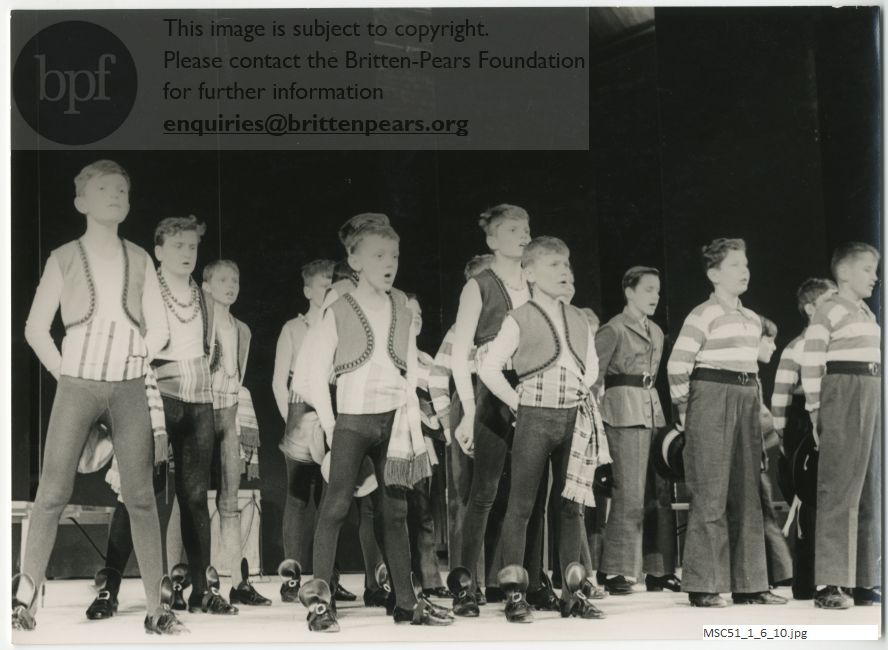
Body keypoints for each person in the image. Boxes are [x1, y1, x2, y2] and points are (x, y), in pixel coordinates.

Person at [17, 160, 184, 634]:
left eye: (122, 190)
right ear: (81, 202)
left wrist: (139, 357)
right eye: (104, 188)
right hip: (78, 386)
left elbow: (161, 327)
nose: (115, 195)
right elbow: (34, 328)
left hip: (129, 389)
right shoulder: (63, 257)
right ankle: (24, 600)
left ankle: (157, 609)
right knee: (51, 494)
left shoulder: (140, 259)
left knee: (141, 498)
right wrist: (65, 372)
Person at [301, 220, 453, 630]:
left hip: (394, 424)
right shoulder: (339, 310)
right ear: (354, 261)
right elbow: (311, 375)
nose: (389, 265)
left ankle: (407, 602)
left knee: (395, 512)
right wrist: (332, 427)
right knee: (335, 508)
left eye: (394, 257)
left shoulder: (401, 305)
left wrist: (410, 429)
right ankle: (319, 604)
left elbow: (407, 371)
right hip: (351, 423)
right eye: (379, 256)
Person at [479, 236, 609, 622]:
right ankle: (515, 594)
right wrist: (520, 402)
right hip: (535, 417)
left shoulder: (578, 318)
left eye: (566, 264)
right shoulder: (519, 317)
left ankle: (572, 594)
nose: (564, 271)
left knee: (570, 507)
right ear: (530, 272)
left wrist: (578, 390)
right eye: (554, 265)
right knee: (521, 505)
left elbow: (592, 365)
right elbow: (489, 368)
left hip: (572, 417)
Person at [448, 205, 557, 616]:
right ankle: (464, 584)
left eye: (527, 228)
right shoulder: (479, 285)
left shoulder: (535, 284)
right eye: (512, 230)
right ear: (492, 240)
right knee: (484, 492)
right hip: (489, 392)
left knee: (531, 492)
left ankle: (528, 581)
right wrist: (470, 412)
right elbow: (461, 355)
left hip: (531, 391)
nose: (523, 234)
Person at [666, 237, 785, 608]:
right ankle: (704, 585)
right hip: (710, 397)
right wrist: (688, 413)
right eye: (734, 265)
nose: (744, 271)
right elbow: (676, 366)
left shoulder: (751, 320)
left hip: (746, 399)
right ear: (713, 273)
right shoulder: (703, 314)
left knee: (749, 493)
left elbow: (754, 371)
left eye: (745, 264)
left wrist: (760, 412)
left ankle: (751, 585)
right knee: (711, 492)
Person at [151, 216, 238, 615]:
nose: (187, 253)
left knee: (194, 498)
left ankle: (203, 590)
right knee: (138, 495)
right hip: (158, 399)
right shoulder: (148, 288)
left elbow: (214, 350)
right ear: (159, 251)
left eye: (192, 246)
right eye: (178, 246)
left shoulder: (204, 298)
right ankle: (113, 584)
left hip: (199, 402)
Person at [801, 243, 881, 609]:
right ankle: (831, 583)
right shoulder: (828, 309)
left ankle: (865, 578)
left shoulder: (866, 313)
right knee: (839, 487)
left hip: (872, 392)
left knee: (870, 487)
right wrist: (816, 409)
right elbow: (813, 360)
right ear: (844, 272)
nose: (875, 277)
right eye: (868, 269)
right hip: (843, 392)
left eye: (876, 270)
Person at [593, 266, 670, 596]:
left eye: (657, 290)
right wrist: (596, 425)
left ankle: (658, 570)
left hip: (652, 413)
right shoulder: (613, 330)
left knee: (658, 494)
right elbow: (594, 379)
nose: (655, 296)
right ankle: (614, 570)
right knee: (628, 494)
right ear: (630, 291)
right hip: (622, 413)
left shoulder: (657, 331)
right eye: (648, 289)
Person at [202, 259, 269, 606]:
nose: (231, 286)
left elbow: (236, 375)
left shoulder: (242, 329)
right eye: (223, 280)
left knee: (230, 498)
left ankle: (237, 582)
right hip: (199, 409)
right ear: (207, 286)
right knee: (192, 497)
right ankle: (190, 577)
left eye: (236, 280)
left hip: (228, 411)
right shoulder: (199, 321)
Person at [771, 278, 837, 600]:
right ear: (811, 308)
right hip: (801, 425)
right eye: (829, 301)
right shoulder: (796, 348)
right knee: (808, 504)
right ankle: (807, 582)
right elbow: (780, 395)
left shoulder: (836, 343)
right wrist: (784, 438)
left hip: (831, 419)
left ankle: (838, 578)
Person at [756, 317, 793, 589]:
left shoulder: (754, 378)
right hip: (752, 457)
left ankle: (781, 571)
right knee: (763, 509)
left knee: (765, 508)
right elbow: (762, 421)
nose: (773, 346)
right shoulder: (747, 379)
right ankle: (780, 571)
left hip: (759, 456)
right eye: (767, 339)